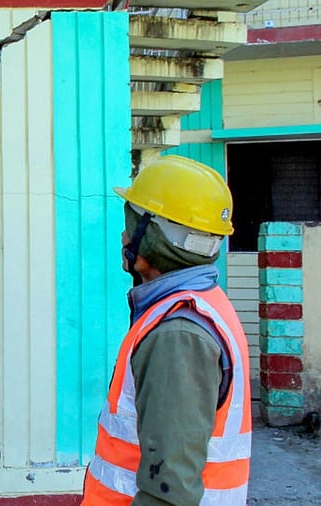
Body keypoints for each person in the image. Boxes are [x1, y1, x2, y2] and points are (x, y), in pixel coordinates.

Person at [81, 155, 252, 505]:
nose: (124, 235)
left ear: (154, 238)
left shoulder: (178, 335)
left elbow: (169, 492)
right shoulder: (202, 304)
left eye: (130, 225)